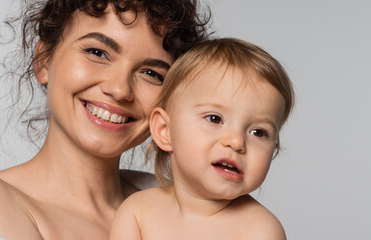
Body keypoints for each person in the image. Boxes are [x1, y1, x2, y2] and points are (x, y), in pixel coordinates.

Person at [0, 0, 208, 239]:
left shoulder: (172, 199)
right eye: (97, 52)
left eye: (151, 73)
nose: (119, 89)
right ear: (44, 60)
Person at [108, 38, 293, 240]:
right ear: (164, 130)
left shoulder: (260, 230)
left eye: (258, 132)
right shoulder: (137, 212)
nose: (236, 142)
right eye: (215, 119)